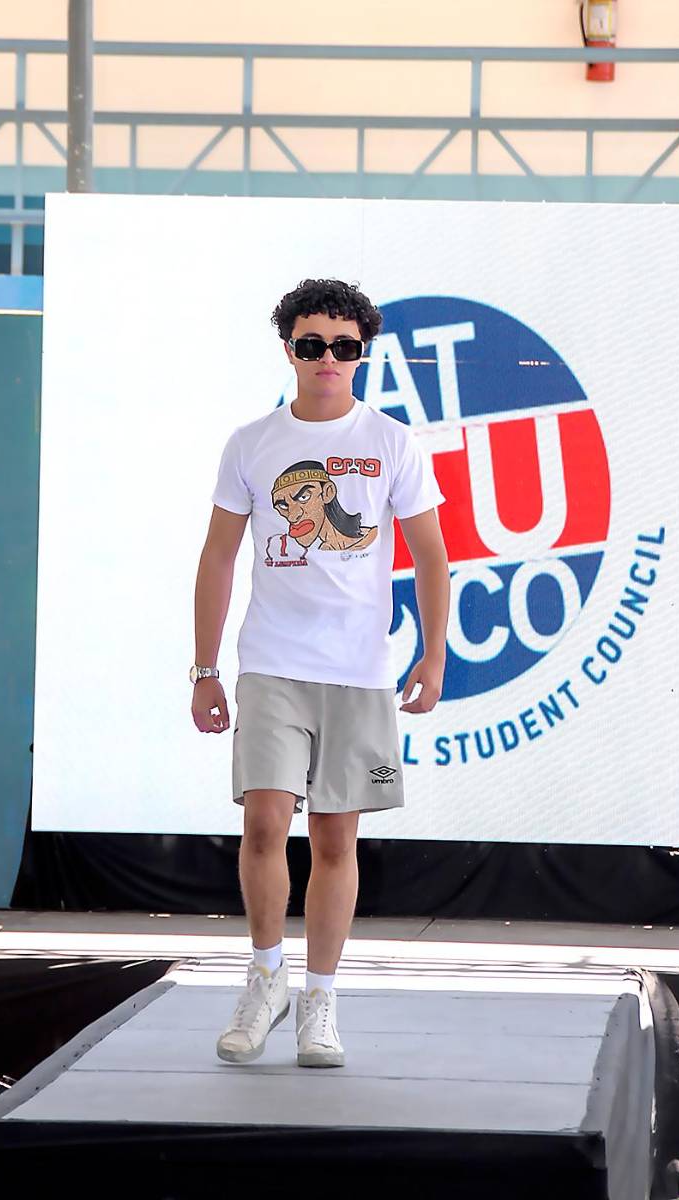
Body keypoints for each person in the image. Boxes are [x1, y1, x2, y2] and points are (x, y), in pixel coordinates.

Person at [191, 277, 449, 1068]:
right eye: (311, 344)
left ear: (362, 353)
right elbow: (218, 556)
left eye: (343, 346)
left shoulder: (393, 443)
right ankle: (265, 977)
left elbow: (431, 557)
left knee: (337, 837)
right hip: (272, 664)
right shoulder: (251, 443)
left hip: (360, 672)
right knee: (265, 822)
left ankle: (320, 999)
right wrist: (204, 668)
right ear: (289, 350)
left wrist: (433, 652)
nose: (327, 358)